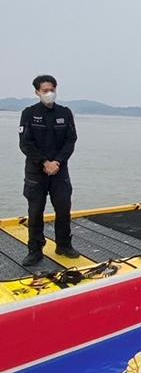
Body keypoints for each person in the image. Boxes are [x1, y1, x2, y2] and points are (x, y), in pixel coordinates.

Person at [19, 75, 79, 266]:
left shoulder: (65, 113)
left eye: (52, 89)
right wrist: (44, 162)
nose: (49, 93)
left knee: (63, 208)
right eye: (45, 90)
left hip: (59, 171)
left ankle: (64, 245)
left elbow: (70, 140)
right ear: (37, 92)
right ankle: (35, 250)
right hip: (36, 172)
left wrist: (57, 162)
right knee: (35, 211)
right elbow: (25, 144)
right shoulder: (29, 113)